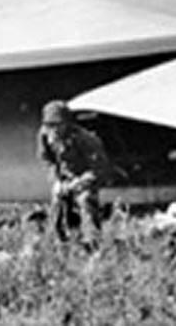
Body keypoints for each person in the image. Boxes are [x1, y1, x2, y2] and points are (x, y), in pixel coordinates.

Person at [36, 99, 108, 247]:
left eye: (57, 124)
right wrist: (56, 181)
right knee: (57, 203)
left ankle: (93, 243)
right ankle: (58, 241)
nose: (53, 129)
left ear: (67, 123)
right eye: (49, 125)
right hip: (64, 178)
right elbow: (47, 160)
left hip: (85, 179)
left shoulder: (86, 139)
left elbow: (99, 169)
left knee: (85, 200)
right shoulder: (45, 136)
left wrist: (79, 183)